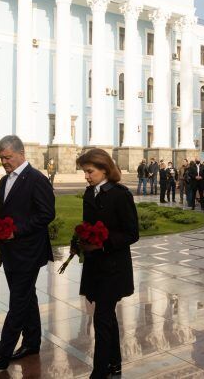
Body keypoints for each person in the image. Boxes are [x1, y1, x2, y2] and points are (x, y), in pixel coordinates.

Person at [0, 135, 56, 372]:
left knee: (18, 301)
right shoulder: (4, 181)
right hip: (10, 251)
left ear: (22, 154)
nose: (4, 161)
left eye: (8, 157)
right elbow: (2, 214)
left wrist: (16, 232)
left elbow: (46, 214)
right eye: (1, 157)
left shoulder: (37, 180)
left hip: (29, 252)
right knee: (26, 297)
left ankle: (2, 354)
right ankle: (32, 343)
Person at [76, 149, 139, 378]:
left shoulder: (120, 195)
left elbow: (132, 233)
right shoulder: (90, 193)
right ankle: (115, 364)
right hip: (95, 267)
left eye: (90, 171)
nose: (86, 176)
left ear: (104, 169)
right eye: (85, 172)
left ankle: (100, 371)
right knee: (106, 316)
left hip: (113, 267)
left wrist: (102, 243)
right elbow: (87, 224)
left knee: (102, 318)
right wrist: (81, 240)